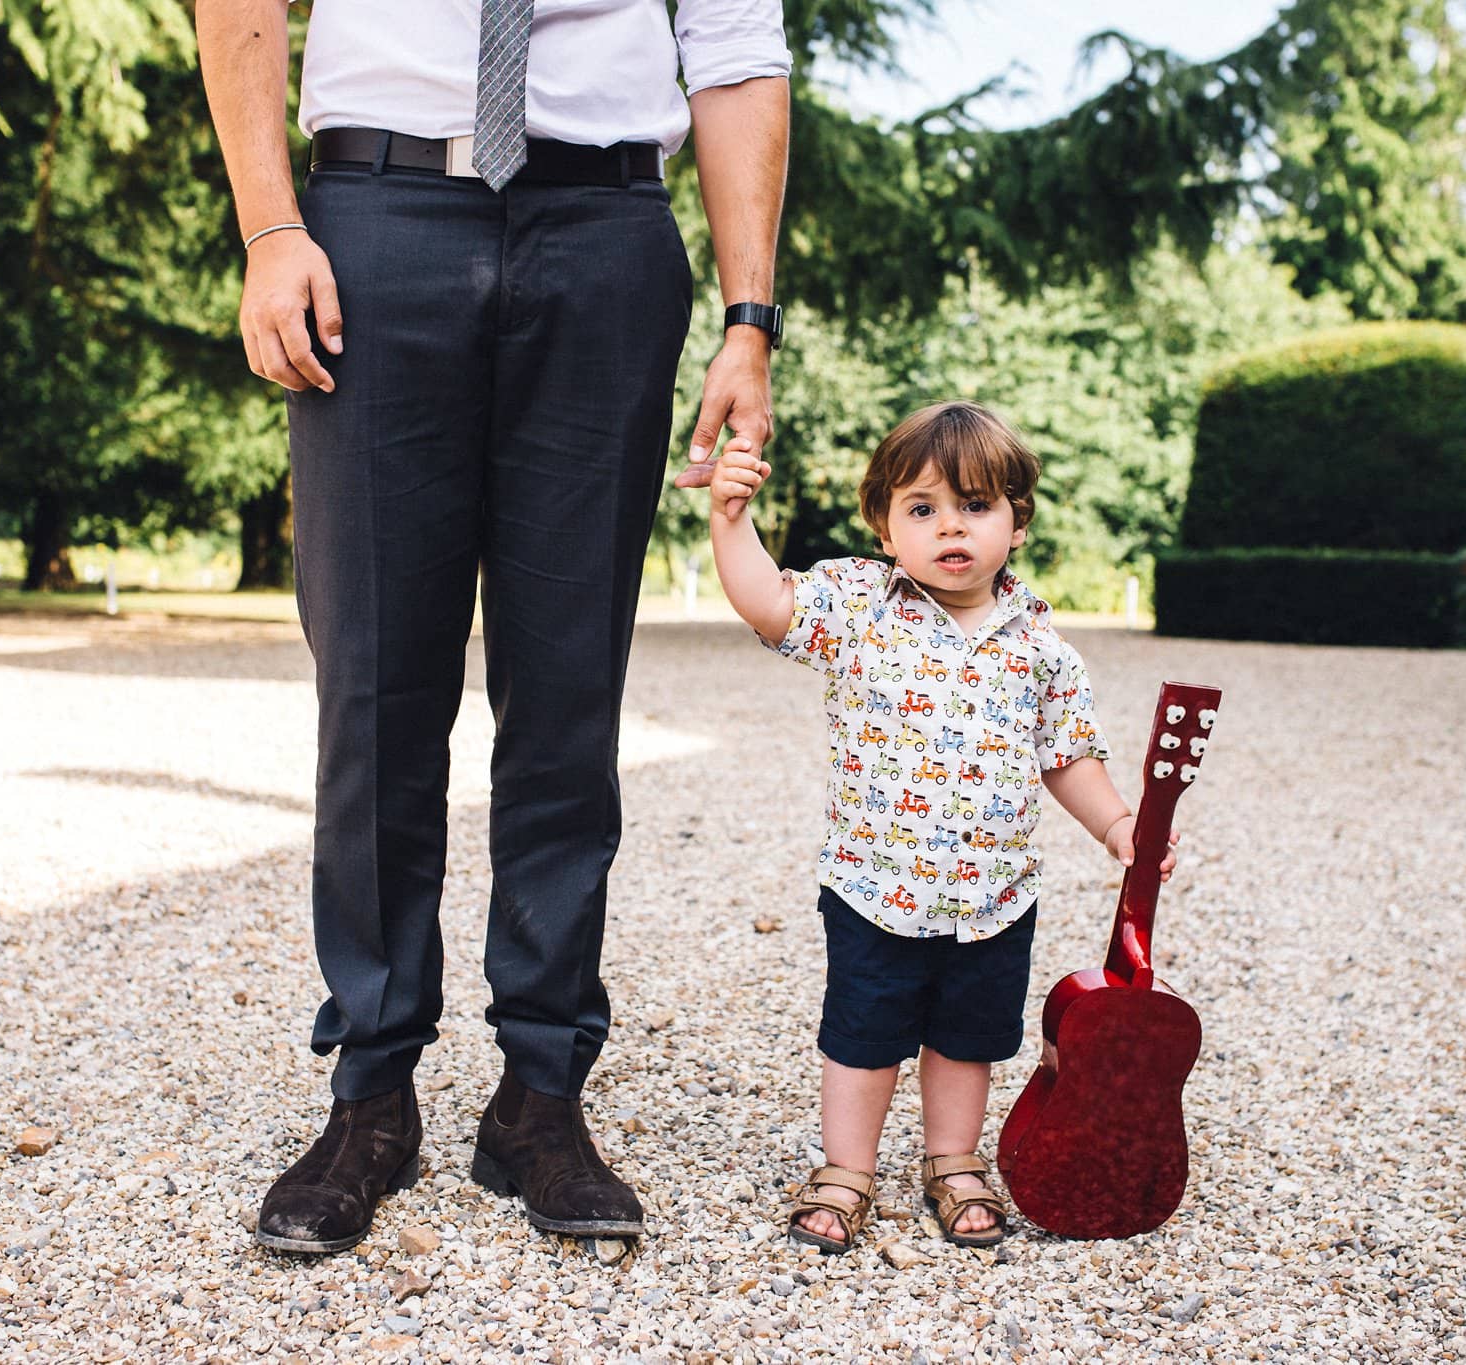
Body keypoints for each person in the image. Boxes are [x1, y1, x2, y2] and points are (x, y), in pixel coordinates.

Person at [196, 0, 791, 1254]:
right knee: (371, 690)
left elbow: (736, 48)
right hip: (374, 221)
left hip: (608, 233)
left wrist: (751, 320)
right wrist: (267, 229)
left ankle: (540, 1096)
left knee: (570, 699)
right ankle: (371, 1093)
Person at [704, 401, 1181, 1251]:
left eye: (975, 505)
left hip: (992, 895)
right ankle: (848, 1168)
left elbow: (1066, 755)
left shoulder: (1039, 646)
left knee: (967, 1040)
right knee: (863, 1036)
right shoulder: (859, 606)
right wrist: (730, 519)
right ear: (886, 528)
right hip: (874, 885)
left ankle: (953, 1159)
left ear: (1018, 523)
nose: (949, 526)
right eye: (922, 509)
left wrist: (1118, 825)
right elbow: (768, 602)